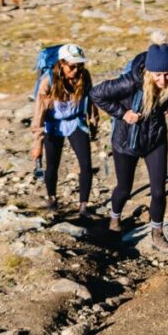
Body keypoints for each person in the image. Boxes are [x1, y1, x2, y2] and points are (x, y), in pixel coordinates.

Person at [90, 31, 168, 255]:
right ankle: (114, 220)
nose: (163, 80)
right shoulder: (129, 81)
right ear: (148, 72)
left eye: (167, 74)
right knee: (124, 188)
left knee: (159, 191)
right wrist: (122, 113)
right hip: (126, 142)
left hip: (155, 139)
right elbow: (96, 94)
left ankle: (157, 234)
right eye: (158, 76)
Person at [31, 43, 98, 215]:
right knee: (52, 164)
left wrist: (94, 122)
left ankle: (83, 206)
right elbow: (39, 113)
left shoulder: (84, 76)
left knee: (86, 165)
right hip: (53, 124)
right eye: (72, 66)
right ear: (61, 63)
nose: (76, 70)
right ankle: (52, 198)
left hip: (76, 122)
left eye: (80, 65)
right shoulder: (48, 81)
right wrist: (37, 143)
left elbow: (91, 100)